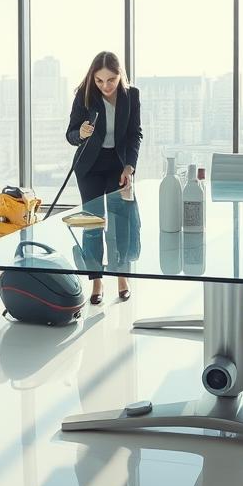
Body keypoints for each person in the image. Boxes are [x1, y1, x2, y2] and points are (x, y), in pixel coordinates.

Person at [65, 51, 142, 305]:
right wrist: (82, 132)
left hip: (118, 166)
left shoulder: (131, 96)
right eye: (100, 80)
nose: (105, 86)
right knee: (93, 224)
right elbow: (71, 134)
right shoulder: (84, 94)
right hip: (90, 167)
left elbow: (134, 134)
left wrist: (130, 166)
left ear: (120, 75)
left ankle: (121, 276)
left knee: (121, 224)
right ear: (93, 78)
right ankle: (96, 280)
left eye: (111, 80)